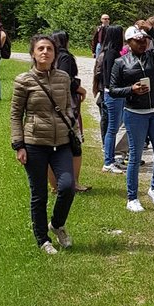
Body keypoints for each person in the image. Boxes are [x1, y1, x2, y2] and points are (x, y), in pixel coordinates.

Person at [11, 35, 76, 254]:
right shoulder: (24, 80)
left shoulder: (64, 78)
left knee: (67, 186)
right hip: (34, 144)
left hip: (62, 143)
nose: (45, 52)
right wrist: (18, 145)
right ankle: (42, 239)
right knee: (39, 194)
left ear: (55, 54)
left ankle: (56, 225)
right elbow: (15, 115)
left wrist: (71, 119)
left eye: (49, 48)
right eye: (40, 48)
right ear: (33, 53)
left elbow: (69, 104)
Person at [110, 21, 154, 212]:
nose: (143, 43)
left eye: (145, 40)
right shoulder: (120, 63)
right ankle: (132, 198)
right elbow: (113, 89)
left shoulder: (153, 56)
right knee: (135, 156)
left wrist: (150, 30)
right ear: (129, 42)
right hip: (135, 114)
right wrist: (131, 89)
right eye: (138, 40)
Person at [51, 31, 90, 192]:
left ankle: (54, 184)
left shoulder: (52, 57)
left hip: (53, 102)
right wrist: (80, 89)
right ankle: (73, 182)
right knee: (75, 143)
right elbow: (65, 78)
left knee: (53, 145)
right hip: (68, 103)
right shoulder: (65, 57)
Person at [100, 25, 126, 173]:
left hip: (115, 94)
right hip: (113, 95)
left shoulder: (112, 52)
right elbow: (112, 77)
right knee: (112, 129)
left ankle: (111, 159)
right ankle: (108, 162)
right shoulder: (111, 54)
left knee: (114, 128)